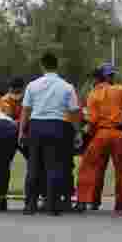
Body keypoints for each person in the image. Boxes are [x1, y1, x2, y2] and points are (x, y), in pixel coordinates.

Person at [19, 52, 81, 216]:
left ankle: (30, 205)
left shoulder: (32, 85)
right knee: (54, 166)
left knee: (33, 166)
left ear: (42, 65)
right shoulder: (67, 86)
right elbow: (74, 111)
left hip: (36, 126)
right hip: (57, 126)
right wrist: (77, 132)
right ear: (57, 65)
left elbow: (25, 110)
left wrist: (21, 131)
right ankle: (52, 206)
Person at [75, 63, 122, 215]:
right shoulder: (120, 89)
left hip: (101, 134)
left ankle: (83, 201)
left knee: (88, 167)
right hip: (120, 135)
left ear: (95, 80)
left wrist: (87, 135)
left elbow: (92, 120)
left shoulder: (93, 94)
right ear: (106, 77)